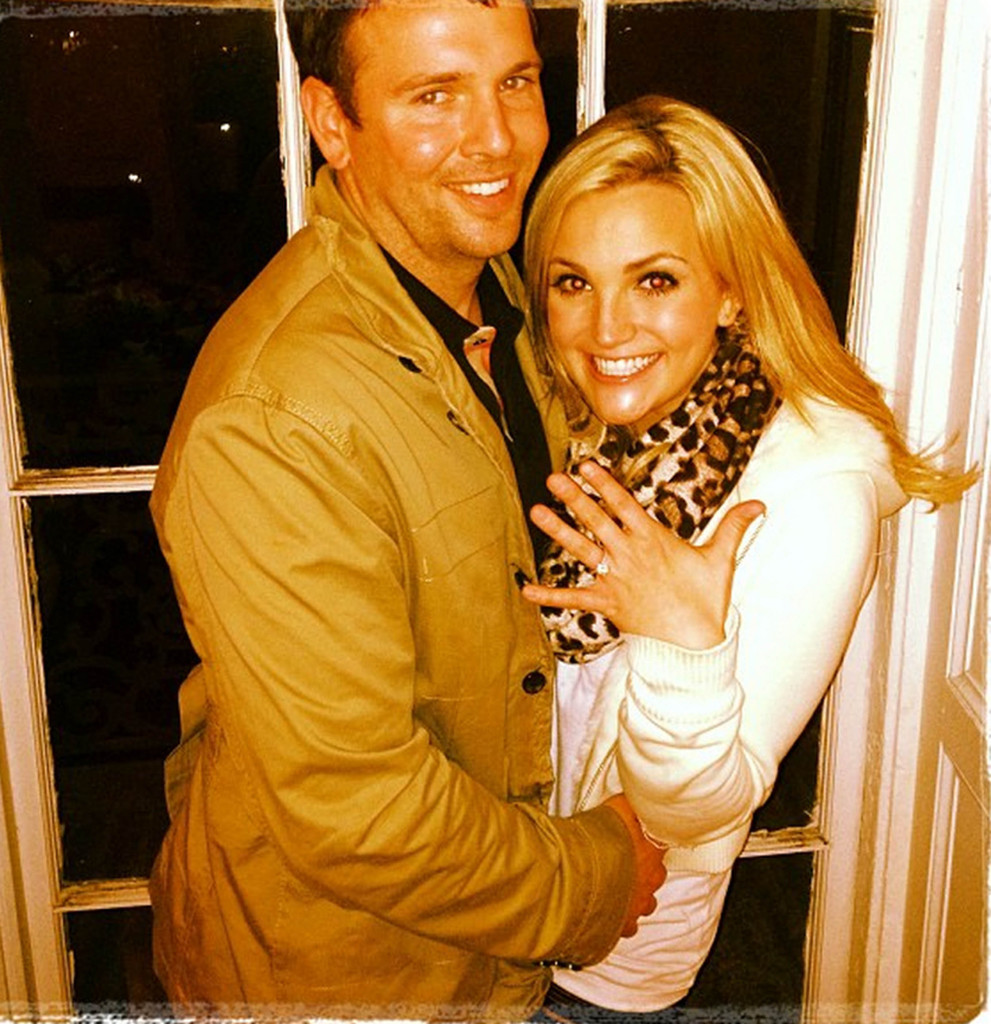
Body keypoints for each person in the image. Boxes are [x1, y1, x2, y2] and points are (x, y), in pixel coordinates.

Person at [147, 3, 667, 1019]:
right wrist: (592, 876)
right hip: (338, 976)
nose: (497, 138)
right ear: (330, 123)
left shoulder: (509, 295)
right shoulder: (276, 417)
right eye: (434, 96)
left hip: (487, 953)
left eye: (515, 82)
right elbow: (355, 805)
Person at [519, 95, 975, 1017]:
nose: (605, 329)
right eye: (573, 283)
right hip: (502, 895)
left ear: (729, 291)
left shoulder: (810, 489)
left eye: (654, 281)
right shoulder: (579, 420)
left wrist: (680, 644)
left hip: (602, 966)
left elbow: (701, 812)